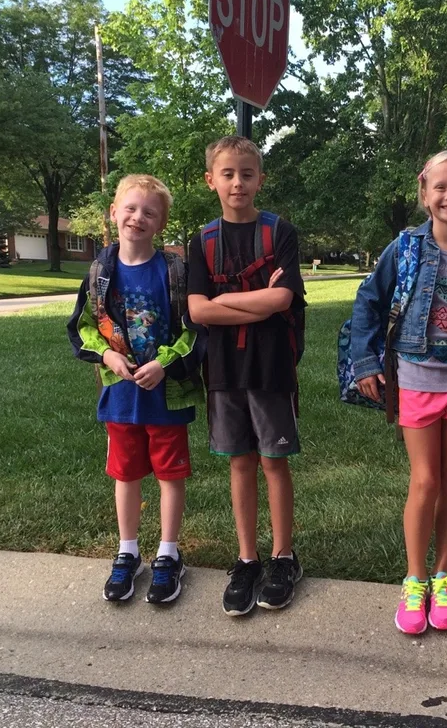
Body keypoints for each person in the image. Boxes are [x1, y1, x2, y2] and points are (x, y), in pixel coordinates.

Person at [350, 149, 447, 635]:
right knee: (425, 482)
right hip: (416, 382)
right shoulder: (403, 250)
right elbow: (368, 302)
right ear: (424, 193)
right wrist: (365, 358)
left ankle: (444, 577)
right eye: (440, 187)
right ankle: (415, 579)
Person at [67, 174, 204, 605]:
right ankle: (128, 551)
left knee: (169, 473)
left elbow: (194, 329)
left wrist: (165, 365)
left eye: (149, 211)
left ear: (161, 222)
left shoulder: (174, 272)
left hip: (166, 395)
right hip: (121, 398)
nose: (137, 217)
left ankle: (168, 552)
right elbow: (84, 327)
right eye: (129, 208)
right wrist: (107, 357)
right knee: (125, 474)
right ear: (113, 212)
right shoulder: (99, 273)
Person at [187, 135, 306, 617]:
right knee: (240, 462)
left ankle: (283, 557)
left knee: (274, 463)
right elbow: (196, 311)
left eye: (248, 173)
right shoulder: (202, 240)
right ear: (210, 179)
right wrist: (251, 304)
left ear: (261, 178)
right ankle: (247, 558)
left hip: (271, 367)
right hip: (224, 370)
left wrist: (222, 304)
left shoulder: (280, 233)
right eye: (228, 173)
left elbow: (282, 300)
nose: (238, 182)